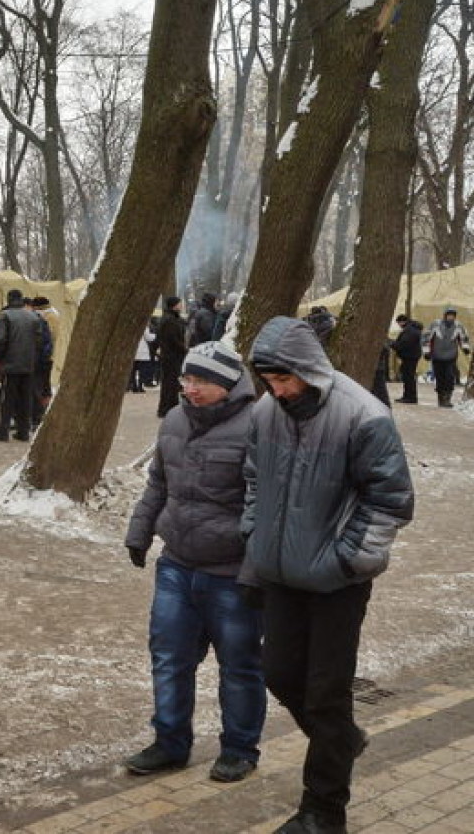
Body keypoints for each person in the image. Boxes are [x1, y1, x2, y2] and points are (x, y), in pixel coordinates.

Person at [243, 316, 414, 834]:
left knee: (325, 693)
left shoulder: (364, 416)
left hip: (337, 582)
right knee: (277, 673)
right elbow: (253, 480)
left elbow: (391, 501)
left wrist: (347, 560)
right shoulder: (265, 412)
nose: (279, 391)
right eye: (270, 382)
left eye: (285, 380)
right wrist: (254, 536)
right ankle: (340, 738)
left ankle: (322, 810)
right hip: (281, 574)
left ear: (308, 369)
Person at [123, 341, 264, 784]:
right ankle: (170, 742)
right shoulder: (175, 420)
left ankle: (239, 749)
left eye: (201, 380)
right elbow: (157, 485)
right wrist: (139, 531)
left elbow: (266, 503)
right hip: (176, 567)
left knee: (239, 667)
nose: (191, 388)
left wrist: (257, 567)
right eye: (187, 378)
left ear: (227, 383)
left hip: (232, 574)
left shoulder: (258, 426)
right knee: (168, 659)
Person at [0, 289, 42, 442]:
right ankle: (23, 431)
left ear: (9, 299)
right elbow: (39, 341)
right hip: (28, 363)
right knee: (25, 398)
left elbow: (0, 340)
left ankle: (3, 431)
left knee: (7, 398)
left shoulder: (5, 316)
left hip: (11, 364)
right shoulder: (33, 317)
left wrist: (0, 358)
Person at [422, 307, 471, 408]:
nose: (451, 317)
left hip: (451, 356)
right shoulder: (436, 324)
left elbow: (464, 338)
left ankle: (447, 398)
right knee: (440, 378)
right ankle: (441, 397)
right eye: (449, 315)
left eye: (453, 315)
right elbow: (426, 337)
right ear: (445, 315)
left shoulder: (458, 326)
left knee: (449, 377)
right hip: (437, 356)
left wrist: (465, 348)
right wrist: (426, 352)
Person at [156, 297, 188, 418]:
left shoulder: (170, 319)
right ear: (174, 305)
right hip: (172, 356)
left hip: (170, 355)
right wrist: (185, 349)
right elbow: (174, 339)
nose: (181, 306)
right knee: (171, 383)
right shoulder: (170, 321)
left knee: (170, 383)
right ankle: (167, 408)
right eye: (180, 304)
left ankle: (167, 407)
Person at [390, 314, 422, 405]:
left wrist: (393, 344)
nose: (399, 325)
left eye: (399, 323)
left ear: (402, 321)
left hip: (409, 357)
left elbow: (403, 344)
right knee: (408, 377)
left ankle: (410, 397)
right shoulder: (412, 329)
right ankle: (408, 396)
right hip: (411, 356)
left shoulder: (409, 331)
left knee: (408, 377)